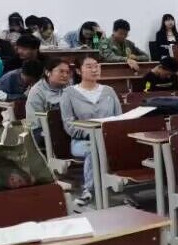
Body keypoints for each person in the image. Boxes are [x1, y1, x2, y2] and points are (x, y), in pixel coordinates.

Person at [60, 55, 122, 206]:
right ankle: (89, 191)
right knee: (94, 149)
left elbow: (119, 118)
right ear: (79, 71)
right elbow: (68, 124)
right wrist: (92, 133)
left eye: (97, 66)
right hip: (82, 141)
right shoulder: (69, 93)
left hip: (108, 139)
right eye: (89, 66)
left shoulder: (109, 91)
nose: (95, 69)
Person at [26, 57, 71, 137]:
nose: (65, 75)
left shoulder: (69, 88)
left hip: (64, 127)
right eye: (61, 71)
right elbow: (36, 123)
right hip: (40, 131)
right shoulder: (37, 92)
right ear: (48, 72)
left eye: (67, 72)